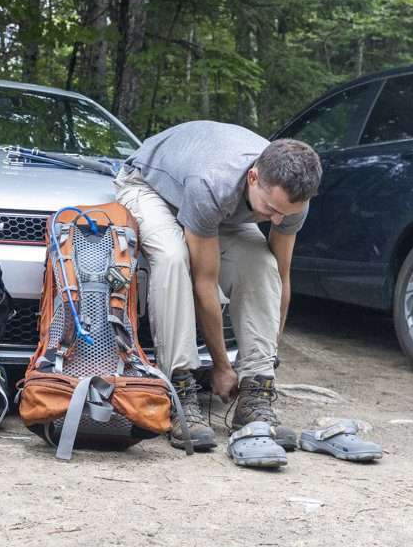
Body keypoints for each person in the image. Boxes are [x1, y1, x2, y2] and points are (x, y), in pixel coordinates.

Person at [115, 120, 322, 453]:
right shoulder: (213, 183)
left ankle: (254, 399)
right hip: (149, 187)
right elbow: (204, 282)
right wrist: (222, 367)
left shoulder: (290, 200)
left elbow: (280, 275)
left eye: (287, 213)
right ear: (254, 177)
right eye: (271, 210)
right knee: (173, 259)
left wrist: (266, 360)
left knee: (261, 264)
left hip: (222, 209)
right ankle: (180, 390)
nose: (279, 220)